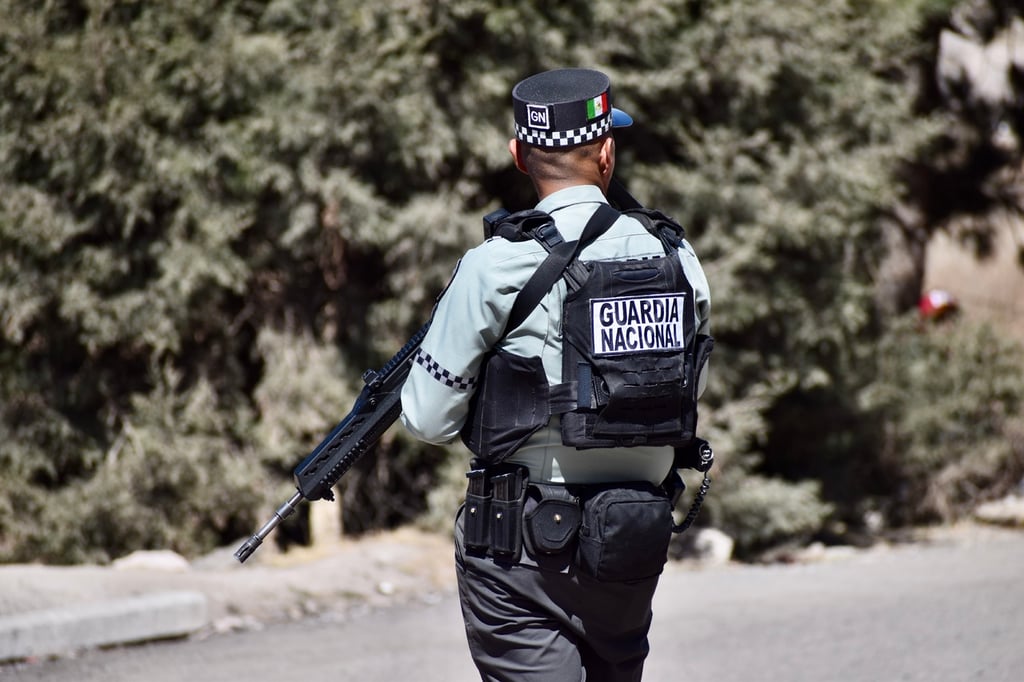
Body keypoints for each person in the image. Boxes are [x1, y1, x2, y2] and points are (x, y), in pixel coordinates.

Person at [400, 67, 712, 682]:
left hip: (519, 551)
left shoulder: (497, 264)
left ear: (519, 154)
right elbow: (682, 390)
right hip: (630, 538)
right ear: (606, 152)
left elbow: (427, 418)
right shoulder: (677, 257)